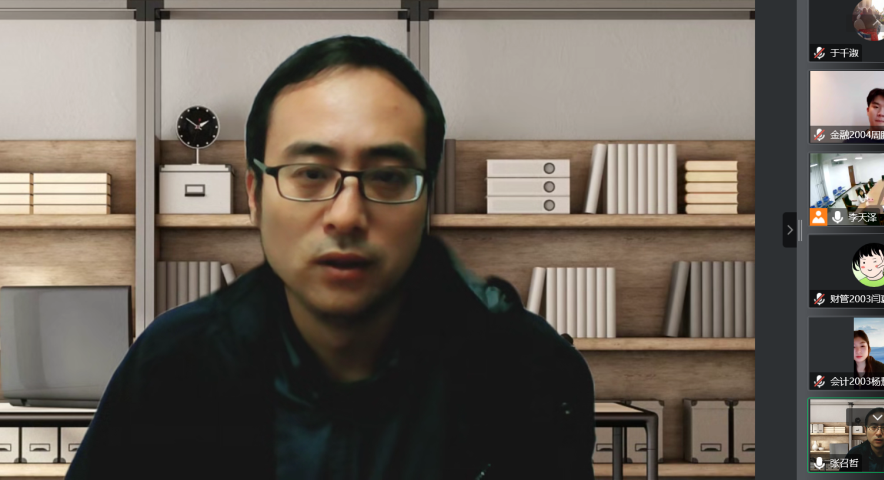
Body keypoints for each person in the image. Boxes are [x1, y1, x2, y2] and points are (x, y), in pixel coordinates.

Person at [65, 35, 595, 479]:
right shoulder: (175, 362)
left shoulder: (525, 367)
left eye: (388, 177)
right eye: (311, 174)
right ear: (255, 196)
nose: (347, 215)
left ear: (426, 200)